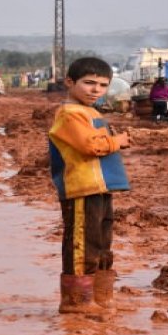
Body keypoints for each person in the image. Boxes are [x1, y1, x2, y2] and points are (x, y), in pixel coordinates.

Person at [48, 57, 131, 314]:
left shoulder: (91, 112)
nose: (96, 90)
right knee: (82, 243)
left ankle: (101, 296)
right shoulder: (69, 114)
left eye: (103, 85)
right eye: (89, 83)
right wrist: (119, 141)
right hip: (83, 187)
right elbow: (90, 146)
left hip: (101, 186)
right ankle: (76, 301)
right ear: (70, 82)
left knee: (102, 240)